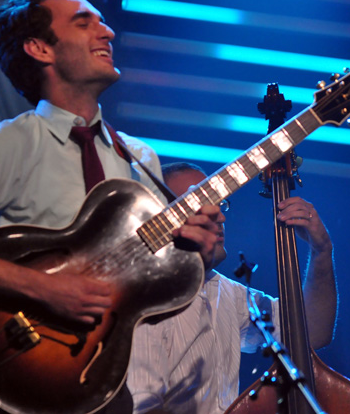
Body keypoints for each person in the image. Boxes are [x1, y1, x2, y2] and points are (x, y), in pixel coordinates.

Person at [0, 0, 224, 413]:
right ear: (40, 48)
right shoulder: (12, 143)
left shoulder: (140, 158)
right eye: (83, 22)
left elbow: (147, 288)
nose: (107, 31)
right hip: (22, 368)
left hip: (103, 383)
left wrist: (196, 253)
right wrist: (43, 288)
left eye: (102, 22)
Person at [127, 162, 338, 414]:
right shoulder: (142, 303)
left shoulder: (230, 294)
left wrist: (321, 251)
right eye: (200, 208)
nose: (220, 217)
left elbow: (311, 332)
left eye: (218, 204)